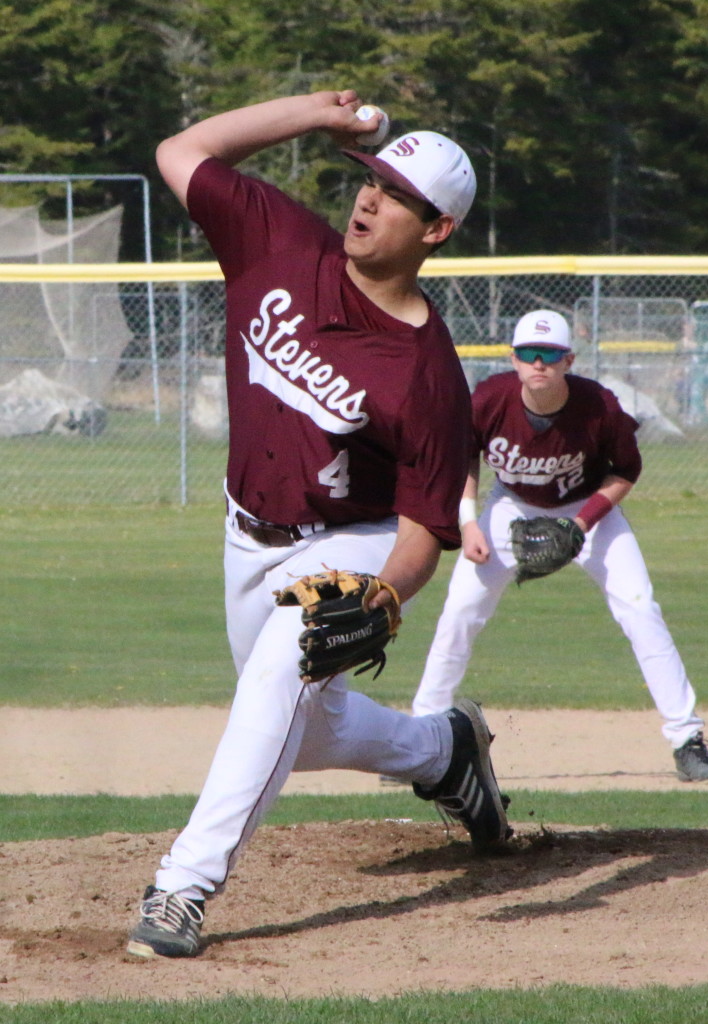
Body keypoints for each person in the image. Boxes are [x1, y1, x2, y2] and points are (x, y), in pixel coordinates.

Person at [125, 89, 512, 960]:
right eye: (370, 181)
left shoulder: (426, 375)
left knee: (276, 687)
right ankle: (443, 751)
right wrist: (313, 113)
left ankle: (182, 888)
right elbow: (180, 149)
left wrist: (377, 593)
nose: (370, 200)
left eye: (398, 197)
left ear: (436, 231)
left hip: (348, 539)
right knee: (302, 732)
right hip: (245, 530)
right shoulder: (281, 242)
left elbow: (422, 533)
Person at [410, 310, 708, 784]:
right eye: (529, 354)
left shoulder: (599, 405)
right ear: (513, 359)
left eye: (551, 355)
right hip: (510, 505)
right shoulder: (490, 399)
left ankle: (688, 740)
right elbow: (464, 457)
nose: (539, 363)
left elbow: (625, 471)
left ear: (568, 360)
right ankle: (421, 740)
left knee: (640, 609)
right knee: (460, 610)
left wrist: (581, 525)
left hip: (587, 508)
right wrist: (469, 523)